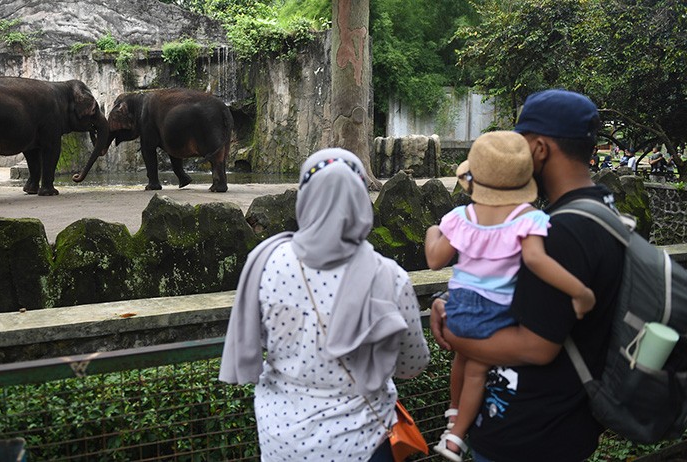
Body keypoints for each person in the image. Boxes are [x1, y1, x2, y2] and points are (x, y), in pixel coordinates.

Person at [430, 89, 625, 462]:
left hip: (528, 435)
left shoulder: (560, 232)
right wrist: (453, 299)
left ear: (539, 149)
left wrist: (454, 331)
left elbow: (536, 347)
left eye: (519, 142)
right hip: (564, 427)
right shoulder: (602, 211)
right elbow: (520, 298)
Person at [219, 147, 430, 462]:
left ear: (305, 197)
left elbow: (256, 339)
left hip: (283, 442)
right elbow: (411, 365)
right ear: (361, 202)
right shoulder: (389, 277)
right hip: (362, 444)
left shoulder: (266, 263)